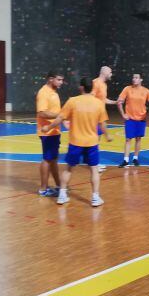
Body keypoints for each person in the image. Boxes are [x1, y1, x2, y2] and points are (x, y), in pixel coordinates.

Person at [45, 77, 112, 207]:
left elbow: (60, 118)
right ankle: (95, 197)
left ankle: (62, 195)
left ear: (81, 87)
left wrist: (48, 127)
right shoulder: (98, 103)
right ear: (92, 88)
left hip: (75, 142)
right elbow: (102, 125)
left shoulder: (72, 101)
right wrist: (107, 136)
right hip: (91, 143)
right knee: (94, 169)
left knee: (69, 169)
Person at [36, 72, 64, 197]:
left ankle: (58, 186)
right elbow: (42, 113)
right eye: (59, 80)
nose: (61, 82)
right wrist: (61, 115)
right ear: (51, 79)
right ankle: (43, 189)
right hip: (47, 132)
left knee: (53, 159)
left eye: (62, 80)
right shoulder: (43, 92)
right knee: (47, 159)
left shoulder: (54, 92)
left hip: (54, 131)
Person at [116, 73, 149, 168]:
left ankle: (135, 158)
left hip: (141, 119)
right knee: (128, 139)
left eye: (136, 78)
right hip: (130, 118)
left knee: (138, 139)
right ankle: (126, 159)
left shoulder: (146, 91)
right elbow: (119, 102)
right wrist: (123, 114)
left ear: (141, 80)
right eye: (133, 77)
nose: (134, 79)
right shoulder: (127, 89)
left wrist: (148, 116)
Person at [92, 66, 117, 172]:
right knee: (94, 141)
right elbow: (90, 97)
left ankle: (95, 163)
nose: (111, 74)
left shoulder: (104, 85)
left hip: (100, 116)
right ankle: (94, 164)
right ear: (105, 72)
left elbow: (103, 99)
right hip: (94, 117)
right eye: (110, 72)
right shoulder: (95, 83)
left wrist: (114, 102)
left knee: (96, 141)